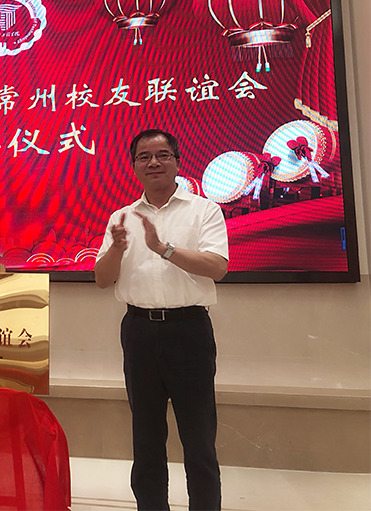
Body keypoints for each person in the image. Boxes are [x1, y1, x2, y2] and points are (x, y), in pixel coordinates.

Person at [94, 129, 229, 511]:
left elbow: (217, 267)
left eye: (162, 155)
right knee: (146, 438)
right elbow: (102, 279)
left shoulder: (204, 209)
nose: (154, 162)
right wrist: (117, 249)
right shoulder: (121, 217)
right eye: (144, 156)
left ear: (177, 161)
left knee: (199, 439)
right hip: (139, 331)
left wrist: (162, 249)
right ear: (134, 166)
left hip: (189, 331)